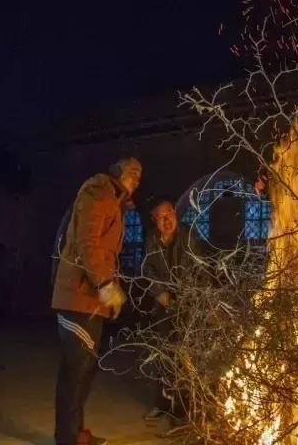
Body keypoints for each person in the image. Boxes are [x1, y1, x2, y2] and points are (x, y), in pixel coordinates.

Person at [52, 157, 142, 445]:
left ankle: (74, 432)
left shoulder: (113, 202)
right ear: (116, 172)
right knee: (75, 370)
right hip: (78, 296)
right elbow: (86, 242)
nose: (136, 178)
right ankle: (67, 437)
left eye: (140, 176)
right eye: (132, 172)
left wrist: (109, 291)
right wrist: (104, 284)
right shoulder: (98, 192)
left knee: (85, 370)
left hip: (90, 300)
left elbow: (106, 254)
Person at [140, 198, 203, 431]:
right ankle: (163, 403)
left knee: (184, 358)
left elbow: (197, 269)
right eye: (160, 217)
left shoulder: (188, 237)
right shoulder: (152, 240)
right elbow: (146, 268)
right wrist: (160, 292)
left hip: (188, 305)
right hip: (163, 307)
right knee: (163, 354)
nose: (166, 221)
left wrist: (183, 299)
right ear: (154, 220)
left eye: (169, 215)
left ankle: (182, 410)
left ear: (175, 214)